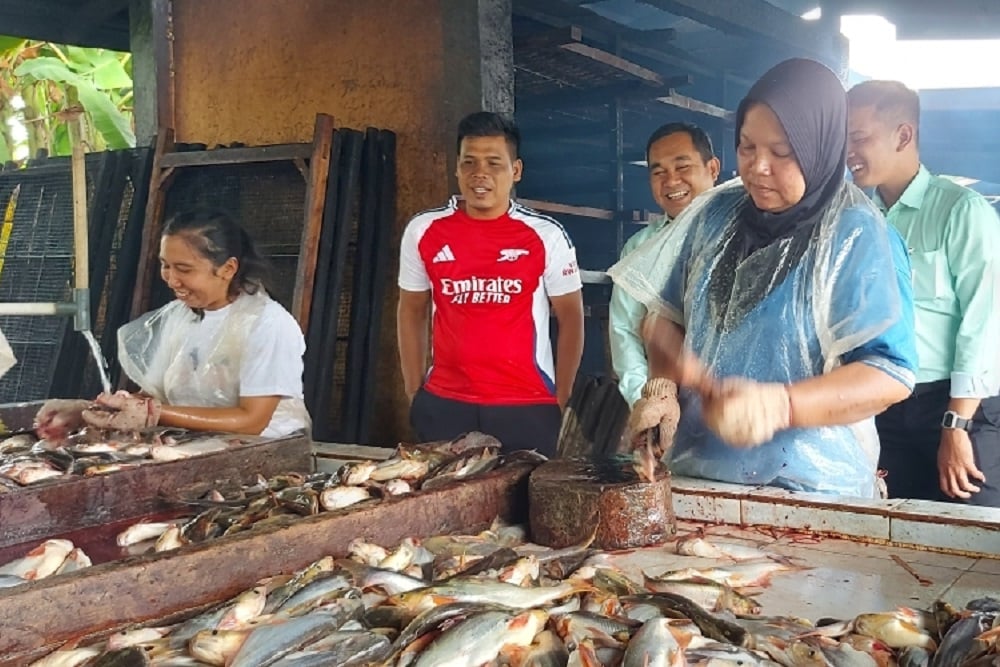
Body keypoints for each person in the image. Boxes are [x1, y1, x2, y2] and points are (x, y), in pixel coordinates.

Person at [609, 58, 917, 498]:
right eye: (747, 147)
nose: (758, 167)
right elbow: (664, 318)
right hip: (696, 478)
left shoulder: (857, 235)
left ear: (819, 146)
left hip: (811, 490)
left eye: (782, 152)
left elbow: (888, 374)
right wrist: (663, 389)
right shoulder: (715, 215)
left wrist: (781, 405)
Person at [847, 80, 1000, 506]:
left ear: (903, 135)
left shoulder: (960, 211)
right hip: (885, 404)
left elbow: (985, 323)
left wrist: (956, 425)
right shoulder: (856, 218)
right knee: (894, 536)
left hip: (956, 406)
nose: (848, 152)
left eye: (859, 138)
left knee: (972, 540)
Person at [397, 111, 584, 457]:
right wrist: (414, 389)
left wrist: (563, 396)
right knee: (442, 507)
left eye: (494, 163)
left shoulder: (545, 235)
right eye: (469, 162)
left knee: (523, 508)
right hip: (445, 402)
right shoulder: (423, 231)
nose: (479, 173)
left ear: (516, 171)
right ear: (456, 168)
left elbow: (571, 317)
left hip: (526, 404)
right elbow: (411, 309)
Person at [36, 209, 310, 440]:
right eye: (165, 265)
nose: (171, 279)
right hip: (195, 448)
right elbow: (152, 396)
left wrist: (155, 414)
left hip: (265, 454)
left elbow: (252, 421)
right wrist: (88, 411)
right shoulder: (180, 317)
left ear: (228, 269)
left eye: (185, 269)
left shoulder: (268, 324)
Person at [609, 123, 720, 447]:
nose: (671, 181)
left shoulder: (743, 232)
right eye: (658, 172)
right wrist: (646, 399)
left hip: (730, 412)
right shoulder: (640, 250)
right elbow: (624, 331)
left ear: (712, 169)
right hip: (663, 414)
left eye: (683, 167)